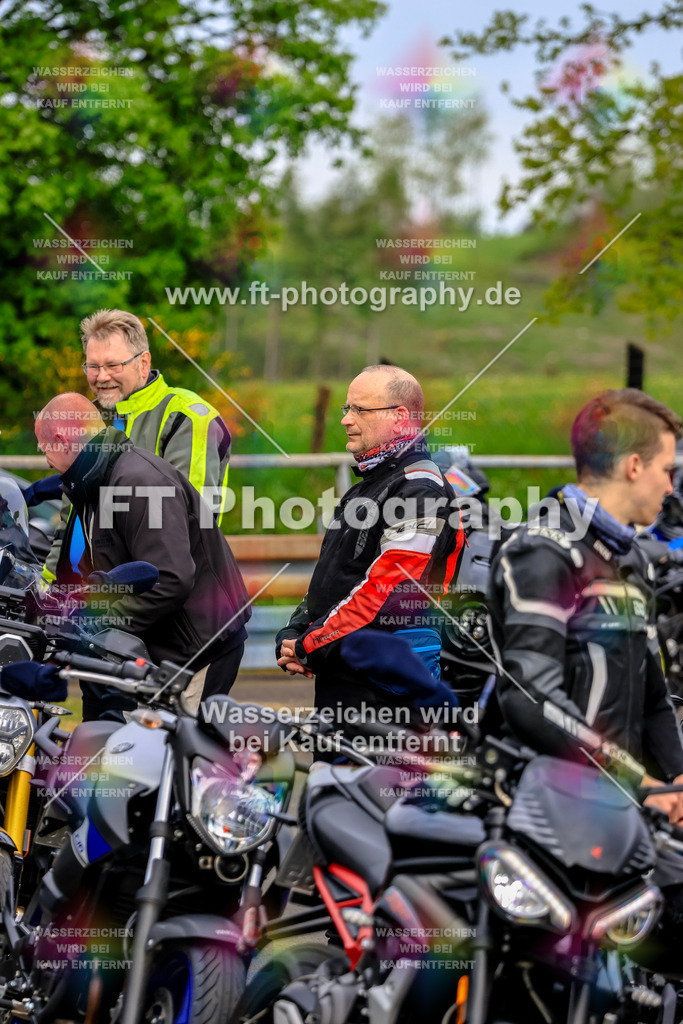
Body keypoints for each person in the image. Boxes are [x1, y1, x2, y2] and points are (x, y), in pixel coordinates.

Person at [488, 387, 683, 822]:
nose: (672, 487)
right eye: (667, 470)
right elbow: (531, 697)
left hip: (617, 807)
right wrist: (633, 779)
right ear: (634, 466)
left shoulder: (631, 558)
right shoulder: (542, 550)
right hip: (547, 809)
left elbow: (653, 698)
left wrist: (677, 782)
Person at [35, 393, 250, 721]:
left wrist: (98, 622)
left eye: (44, 448)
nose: (45, 460)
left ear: (62, 441)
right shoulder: (94, 482)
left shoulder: (137, 480)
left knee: (177, 763)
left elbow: (170, 579)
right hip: (164, 647)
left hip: (197, 648)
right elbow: (107, 569)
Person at [275, 364, 466, 731]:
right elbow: (335, 579)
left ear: (399, 418)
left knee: (372, 788)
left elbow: (388, 589)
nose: (346, 420)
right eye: (346, 408)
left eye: (360, 410)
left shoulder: (419, 488)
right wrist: (295, 630)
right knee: (330, 784)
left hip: (388, 687)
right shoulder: (368, 483)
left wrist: (310, 645)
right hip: (346, 670)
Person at [43, 308, 232, 584]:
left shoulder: (186, 416)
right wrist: (47, 584)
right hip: (88, 600)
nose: (101, 376)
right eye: (92, 366)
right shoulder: (91, 417)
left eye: (112, 365)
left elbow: (187, 530)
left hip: (161, 605)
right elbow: (69, 518)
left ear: (143, 363)